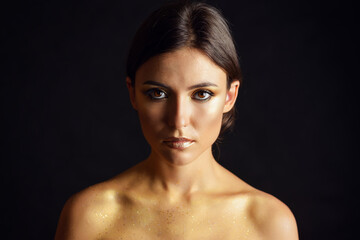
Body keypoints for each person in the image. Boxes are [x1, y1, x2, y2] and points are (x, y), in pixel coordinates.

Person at [55, 1, 298, 239]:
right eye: (158, 93)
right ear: (133, 93)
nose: (178, 120)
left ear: (230, 96)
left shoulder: (270, 222)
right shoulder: (89, 217)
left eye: (202, 94)